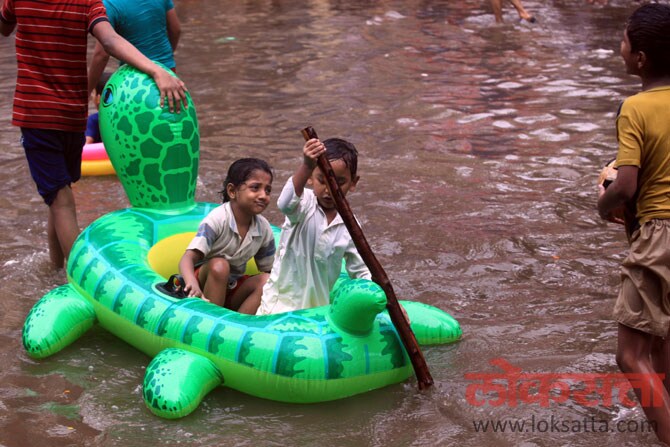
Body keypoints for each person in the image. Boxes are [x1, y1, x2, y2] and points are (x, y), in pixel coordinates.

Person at [0, 0, 187, 270]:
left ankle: (84, 277)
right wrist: (156, 69)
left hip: (38, 114)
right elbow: (110, 41)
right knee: (60, 194)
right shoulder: (86, 2)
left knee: (61, 201)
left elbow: (4, 27)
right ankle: (55, 269)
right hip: (73, 114)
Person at [597, 3, 670, 444]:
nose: (619, 47)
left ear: (640, 58)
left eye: (624, 41)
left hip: (658, 235)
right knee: (662, 349)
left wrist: (603, 207)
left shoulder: (636, 108)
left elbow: (625, 186)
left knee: (630, 355)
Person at [256, 137, 371, 315]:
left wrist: (386, 304)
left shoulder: (350, 224)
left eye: (339, 183)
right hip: (279, 306)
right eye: (322, 180)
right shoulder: (304, 204)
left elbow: (362, 271)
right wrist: (307, 165)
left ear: (353, 183)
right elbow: (284, 203)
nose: (329, 190)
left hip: (317, 311)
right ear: (311, 178)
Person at [179, 158, 276, 313]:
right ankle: (211, 318)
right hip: (203, 286)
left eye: (268, 190)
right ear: (232, 191)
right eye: (255, 188)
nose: (263, 195)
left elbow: (270, 271)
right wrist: (192, 284)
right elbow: (187, 259)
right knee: (220, 265)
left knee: (267, 281)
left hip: (232, 286)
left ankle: (239, 326)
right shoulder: (217, 219)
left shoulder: (263, 229)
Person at [88, 0, 181, 95]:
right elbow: (175, 30)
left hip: (134, 81)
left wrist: (87, 91)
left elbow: (101, 55)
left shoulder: (108, 5)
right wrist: (167, 55)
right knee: (172, 107)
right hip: (168, 72)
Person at [85, 72, 112, 145]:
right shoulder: (120, 120)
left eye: (93, 93)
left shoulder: (93, 120)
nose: (92, 96)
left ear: (99, 98)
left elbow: (86, 146)